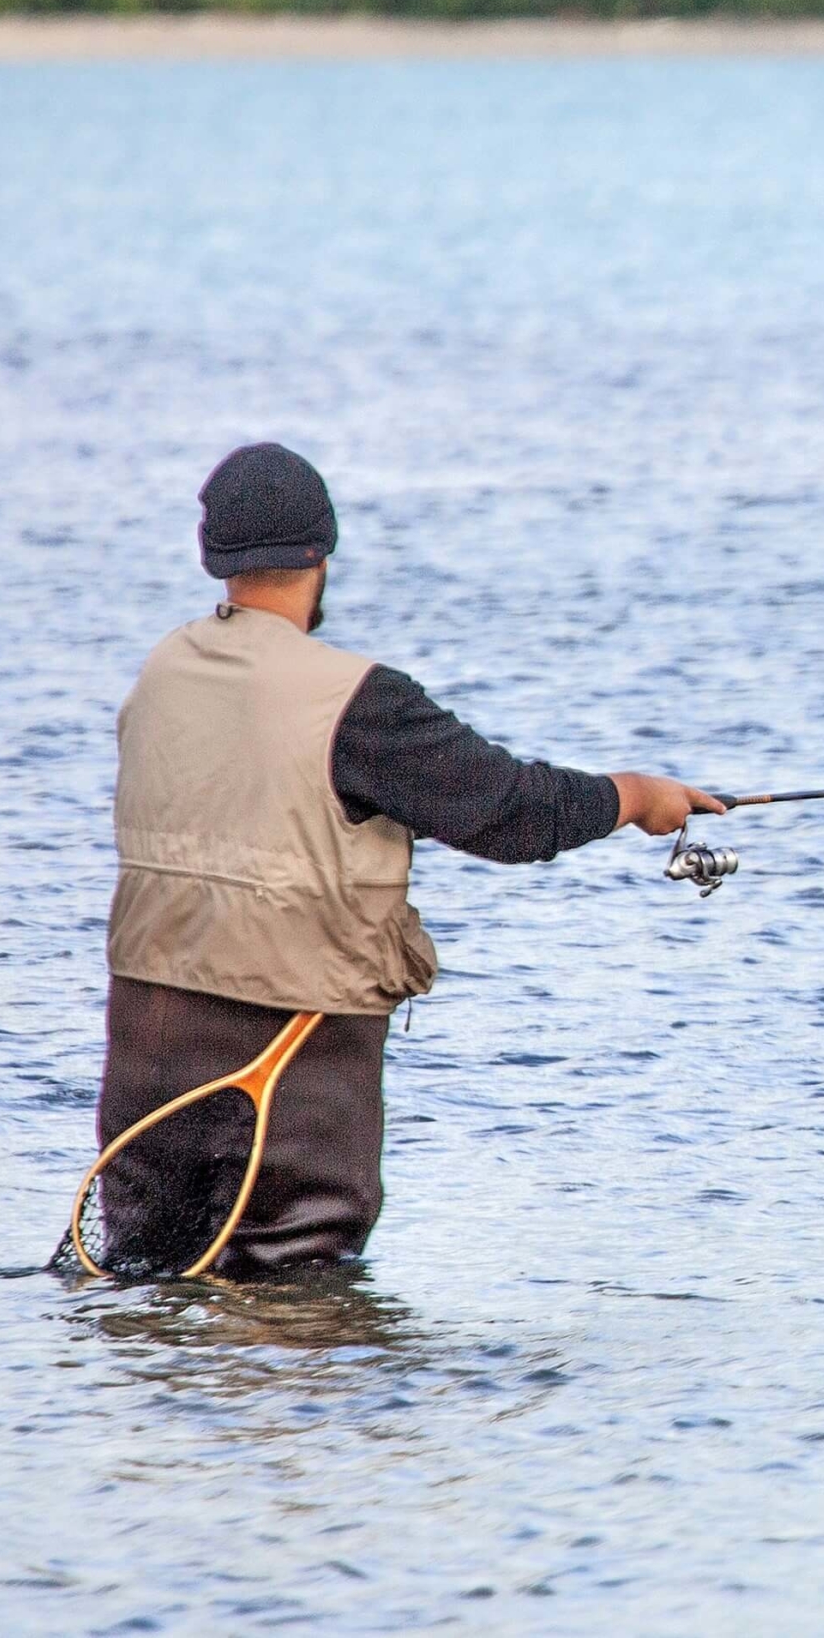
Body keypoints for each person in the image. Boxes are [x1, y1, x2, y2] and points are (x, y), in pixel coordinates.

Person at [95, 442, 722, 1278]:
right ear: (321, 553)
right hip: (293, 1067)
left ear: (215, 558)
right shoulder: (356, 700)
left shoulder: (162, 671)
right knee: (300, 1301)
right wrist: (639, 796)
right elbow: (510, 811)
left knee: (150, 1297)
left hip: (146, 1049)